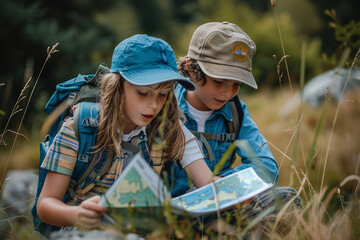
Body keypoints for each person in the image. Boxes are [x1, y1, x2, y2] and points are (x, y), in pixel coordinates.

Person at [36, 34, 217, 231]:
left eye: (163, 94)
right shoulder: (79, 128)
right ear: (117, 86)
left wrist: (235, 190)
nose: (154, 105)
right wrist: (78, 214)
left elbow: (207, 183)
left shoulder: (170, 128)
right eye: (142, 93)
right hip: (85, 229)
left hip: (141, 228)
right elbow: (45, 205)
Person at [176, 22, 302, 235]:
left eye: (236, 85)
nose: (227, 93)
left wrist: (224, 186)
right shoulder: (161, 104)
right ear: (191, 69)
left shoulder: (236, 112)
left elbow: (266, 167)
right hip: (173, 211)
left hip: (222, 206)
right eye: (219, 82)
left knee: (286, 199)